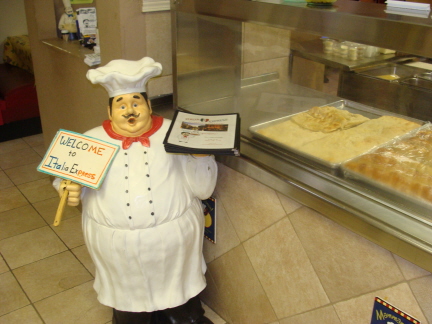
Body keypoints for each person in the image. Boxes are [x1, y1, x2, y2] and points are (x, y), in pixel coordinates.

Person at [53, 57, 217, 324]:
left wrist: (201, 158)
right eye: (121, 105)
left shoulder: (176, 133)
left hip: (174, 240)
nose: (130, 110)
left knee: (180, 296)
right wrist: (69, 190)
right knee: (129, 303)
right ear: (109, 112)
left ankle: (184, 316)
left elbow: (202, 190)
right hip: (116, 246)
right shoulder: (90, 140)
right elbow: (68, 180)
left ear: (148, 105)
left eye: (136, 102)